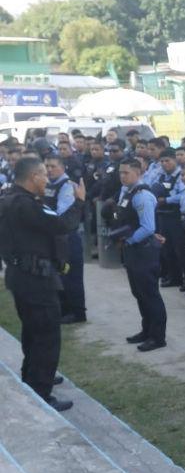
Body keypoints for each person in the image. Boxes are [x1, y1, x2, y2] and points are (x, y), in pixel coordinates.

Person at [0, 156, 86, 410]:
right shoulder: (26, 205)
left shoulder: (7, 200)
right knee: (47, 336)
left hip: (20, 276)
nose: (47, 180)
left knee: (32, 333)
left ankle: (33, 379)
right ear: (33, 177)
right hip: (36, 279)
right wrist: (79, 201)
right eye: (44, 176)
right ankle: (41, 392)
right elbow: (61, 225)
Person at [111, 158, 168, 352]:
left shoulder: (141, 195)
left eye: (126, 173)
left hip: (143, 251)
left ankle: (158, 336)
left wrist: (128, 241)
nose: (122, 176)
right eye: (120, 173)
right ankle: (147, 330)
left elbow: (148, 227)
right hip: (134, 251)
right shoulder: (127, 192)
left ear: (138, 172)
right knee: (139, 293)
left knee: (149, 294)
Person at [42, 154, 87, 324]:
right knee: (60, 276)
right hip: (55, 237)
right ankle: (64, 310)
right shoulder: (49, 185)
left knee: (71, 276)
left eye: (53, 166)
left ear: (63, 167)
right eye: (47, 166)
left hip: (68, 237)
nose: (49, 169)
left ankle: (77, 313)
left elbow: (61, 214)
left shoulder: (68, 186)